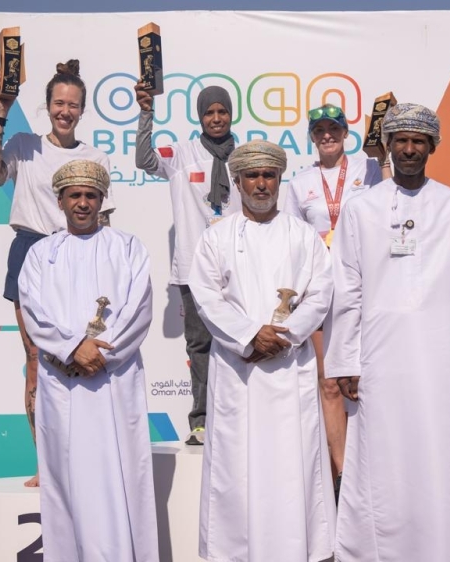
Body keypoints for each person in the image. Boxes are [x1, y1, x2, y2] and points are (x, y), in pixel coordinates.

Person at [324, 103, 450, 561]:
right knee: (380, 460)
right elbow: (347, 287)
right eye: (401, 141)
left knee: (439, 459)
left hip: (439, 359)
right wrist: (344, 361)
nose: (409, 149)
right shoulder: (361, 208)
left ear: (432, 147)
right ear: (388, 148)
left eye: (419, 141)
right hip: (378, 359)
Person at [188, 140, 336, 562]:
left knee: (293, 467)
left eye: (269, 175)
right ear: (237, 181)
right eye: (252, 175)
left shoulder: (303, 235)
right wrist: (251, 334)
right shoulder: (216, 237)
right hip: (239, 371)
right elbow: (206, 297)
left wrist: (283, 336)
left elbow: (321, 293)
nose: (261, 183)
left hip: (289, 369)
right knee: (238, 470)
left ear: (279, 180)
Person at [0, 59, 114, 487]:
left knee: (82, 356)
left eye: (73, 105)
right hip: (29, 251)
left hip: (79, 254)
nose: (65, 111)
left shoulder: (95, 156)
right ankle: (47, 464)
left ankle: (86, 459)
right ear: (47, 105)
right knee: (38, 360)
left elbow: (103, 221)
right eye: (59, 103)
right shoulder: (23, 144)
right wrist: (0, 113)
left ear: (82, 110)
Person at [18, 159, 157, 562]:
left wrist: (98, 352)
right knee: (67, 481)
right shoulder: (41, 253)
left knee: (121, 475)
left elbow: (138, 308)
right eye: (74, 196)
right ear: (59, 201)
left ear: (102, 200)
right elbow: (34, 312)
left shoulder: (127, 246)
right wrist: (72, 348)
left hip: (114, 381)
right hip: (62, 383)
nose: (83, 203)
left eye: (90, 196)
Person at [283, 104, 387, 490]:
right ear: (311, 136)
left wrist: (386, 161)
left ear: (346, 133)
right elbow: (293, 239)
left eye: (334, 128)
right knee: (329, 383)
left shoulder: (369, 169)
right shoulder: (300, 183)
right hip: (322, 290)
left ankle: (375, 466)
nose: (327, 135)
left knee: (372, 378)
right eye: (319, 130)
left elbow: (390, 210)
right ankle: (343, 474)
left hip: (368, 285)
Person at [134, 82, 241, 445]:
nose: (216, 118)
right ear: (199, 116)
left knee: (240, 344)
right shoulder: (182, 153)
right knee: (200, 346)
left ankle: (239, 417)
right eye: (209, 112)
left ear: (231, 114)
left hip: (238, 270)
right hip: (193, 271)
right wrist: (146, 114)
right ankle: (201, 420)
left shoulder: (243, 157)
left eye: (222, 111)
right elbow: (144, 160)